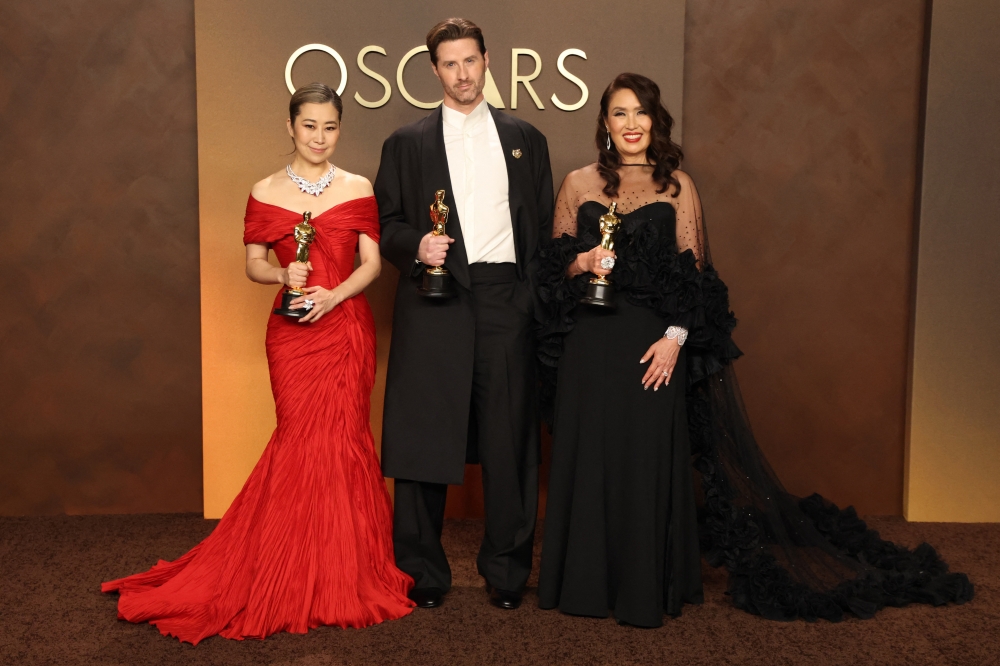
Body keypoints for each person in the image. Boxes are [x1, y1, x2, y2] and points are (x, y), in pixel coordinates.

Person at [536, 73, 974, 628]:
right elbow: (551, 269)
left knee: (643, 462)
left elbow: (696, 278)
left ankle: (646, 587)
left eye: (641, 113)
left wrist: (674, 339)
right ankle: (582, 585)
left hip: (652, 347)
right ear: (604, 122)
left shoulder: (678, 188)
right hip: (590, 346)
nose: (631, 124)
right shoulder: (577, 184)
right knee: (591, 458)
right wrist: (583, 262)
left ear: (655, 121)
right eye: (619, 113)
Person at [101, 83, 414, 644]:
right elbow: (251, 262)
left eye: (331, 127)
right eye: (310, 125)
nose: (320, 137)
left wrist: (333, 295)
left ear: (340, 129)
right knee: (299, 439)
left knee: (343, 440)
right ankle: (287, 567)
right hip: (292, 333)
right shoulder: (264, 190)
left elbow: (371, 265)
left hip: (343, 329)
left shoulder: (357, 186)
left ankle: (341, 572)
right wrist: (280, 275)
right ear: (290, 126)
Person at [375, 18, 553, 611]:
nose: (462, 74)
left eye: (471, 61)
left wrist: (528, 299)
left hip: (507, 301)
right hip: (435, 299)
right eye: (450, 64)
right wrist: (415, 247)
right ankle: (422, 574)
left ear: (486, 60)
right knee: (424, 437)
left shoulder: (527, 136)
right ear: (434, 70)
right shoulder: (406, 143)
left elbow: (543, 228)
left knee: (509, 441)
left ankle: (506, 573)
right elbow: (387, 223)